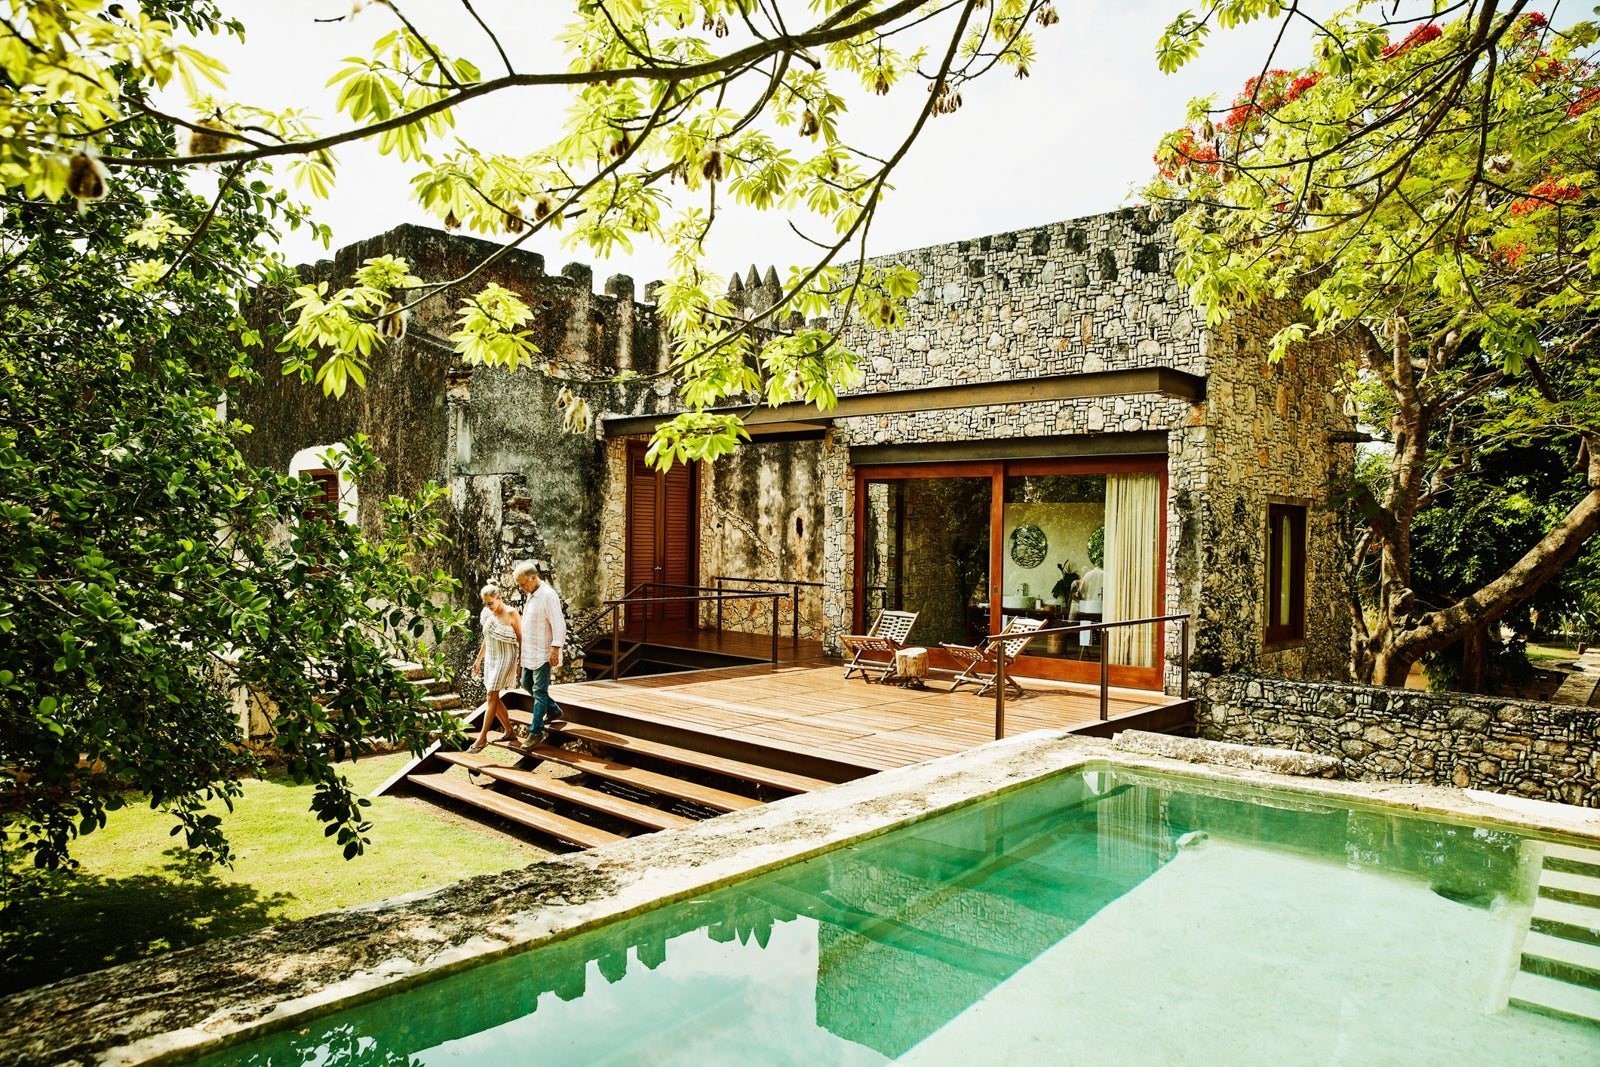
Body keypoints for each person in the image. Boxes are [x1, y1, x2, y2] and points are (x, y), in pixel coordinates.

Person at [469, 584, 523, 753]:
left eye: (491, 603)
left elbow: (521, 639)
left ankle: (482, 738)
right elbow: (487, 638)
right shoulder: (487, 614)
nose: (489, 606)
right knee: (492, 695)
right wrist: (478, 659)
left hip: (506, 657)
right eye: (486, 603)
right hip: (492, 656)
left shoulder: (511, 613)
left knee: (491, 695)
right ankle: (509, 731)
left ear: (499, 598)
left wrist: (520, 663)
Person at [515, 561, 566, 739]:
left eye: (523, 584)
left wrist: (555, 649)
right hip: (530, 651)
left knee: (539, 691)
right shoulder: (531, 594)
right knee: (525, 683)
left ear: (533, 577)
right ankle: (553, 710)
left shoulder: (548, 596)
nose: (521, 588)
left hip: (543, 652)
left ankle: (535, 732)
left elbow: (559, 624)